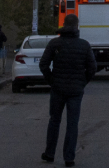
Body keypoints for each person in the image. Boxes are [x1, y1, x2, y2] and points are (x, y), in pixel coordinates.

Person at [39, 14, 96, 167]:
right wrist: (82, 82)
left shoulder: (55, 43)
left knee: (54, 121)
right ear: (77, 26)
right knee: (72, 123)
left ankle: (49, 153)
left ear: (64, 25)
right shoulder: (84, 45)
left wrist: (52, 81)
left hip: (57, 89)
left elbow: (43, 64)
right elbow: (92, 68)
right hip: (76, 91)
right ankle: (69, 158)